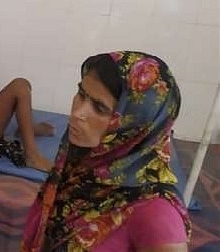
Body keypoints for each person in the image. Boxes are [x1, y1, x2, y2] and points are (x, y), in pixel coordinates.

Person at [21, 51, 191, 252]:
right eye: (81, 94)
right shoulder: (81, 164)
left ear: (134, 125)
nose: (77, 114)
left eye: (100, 108)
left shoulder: (155, 214)